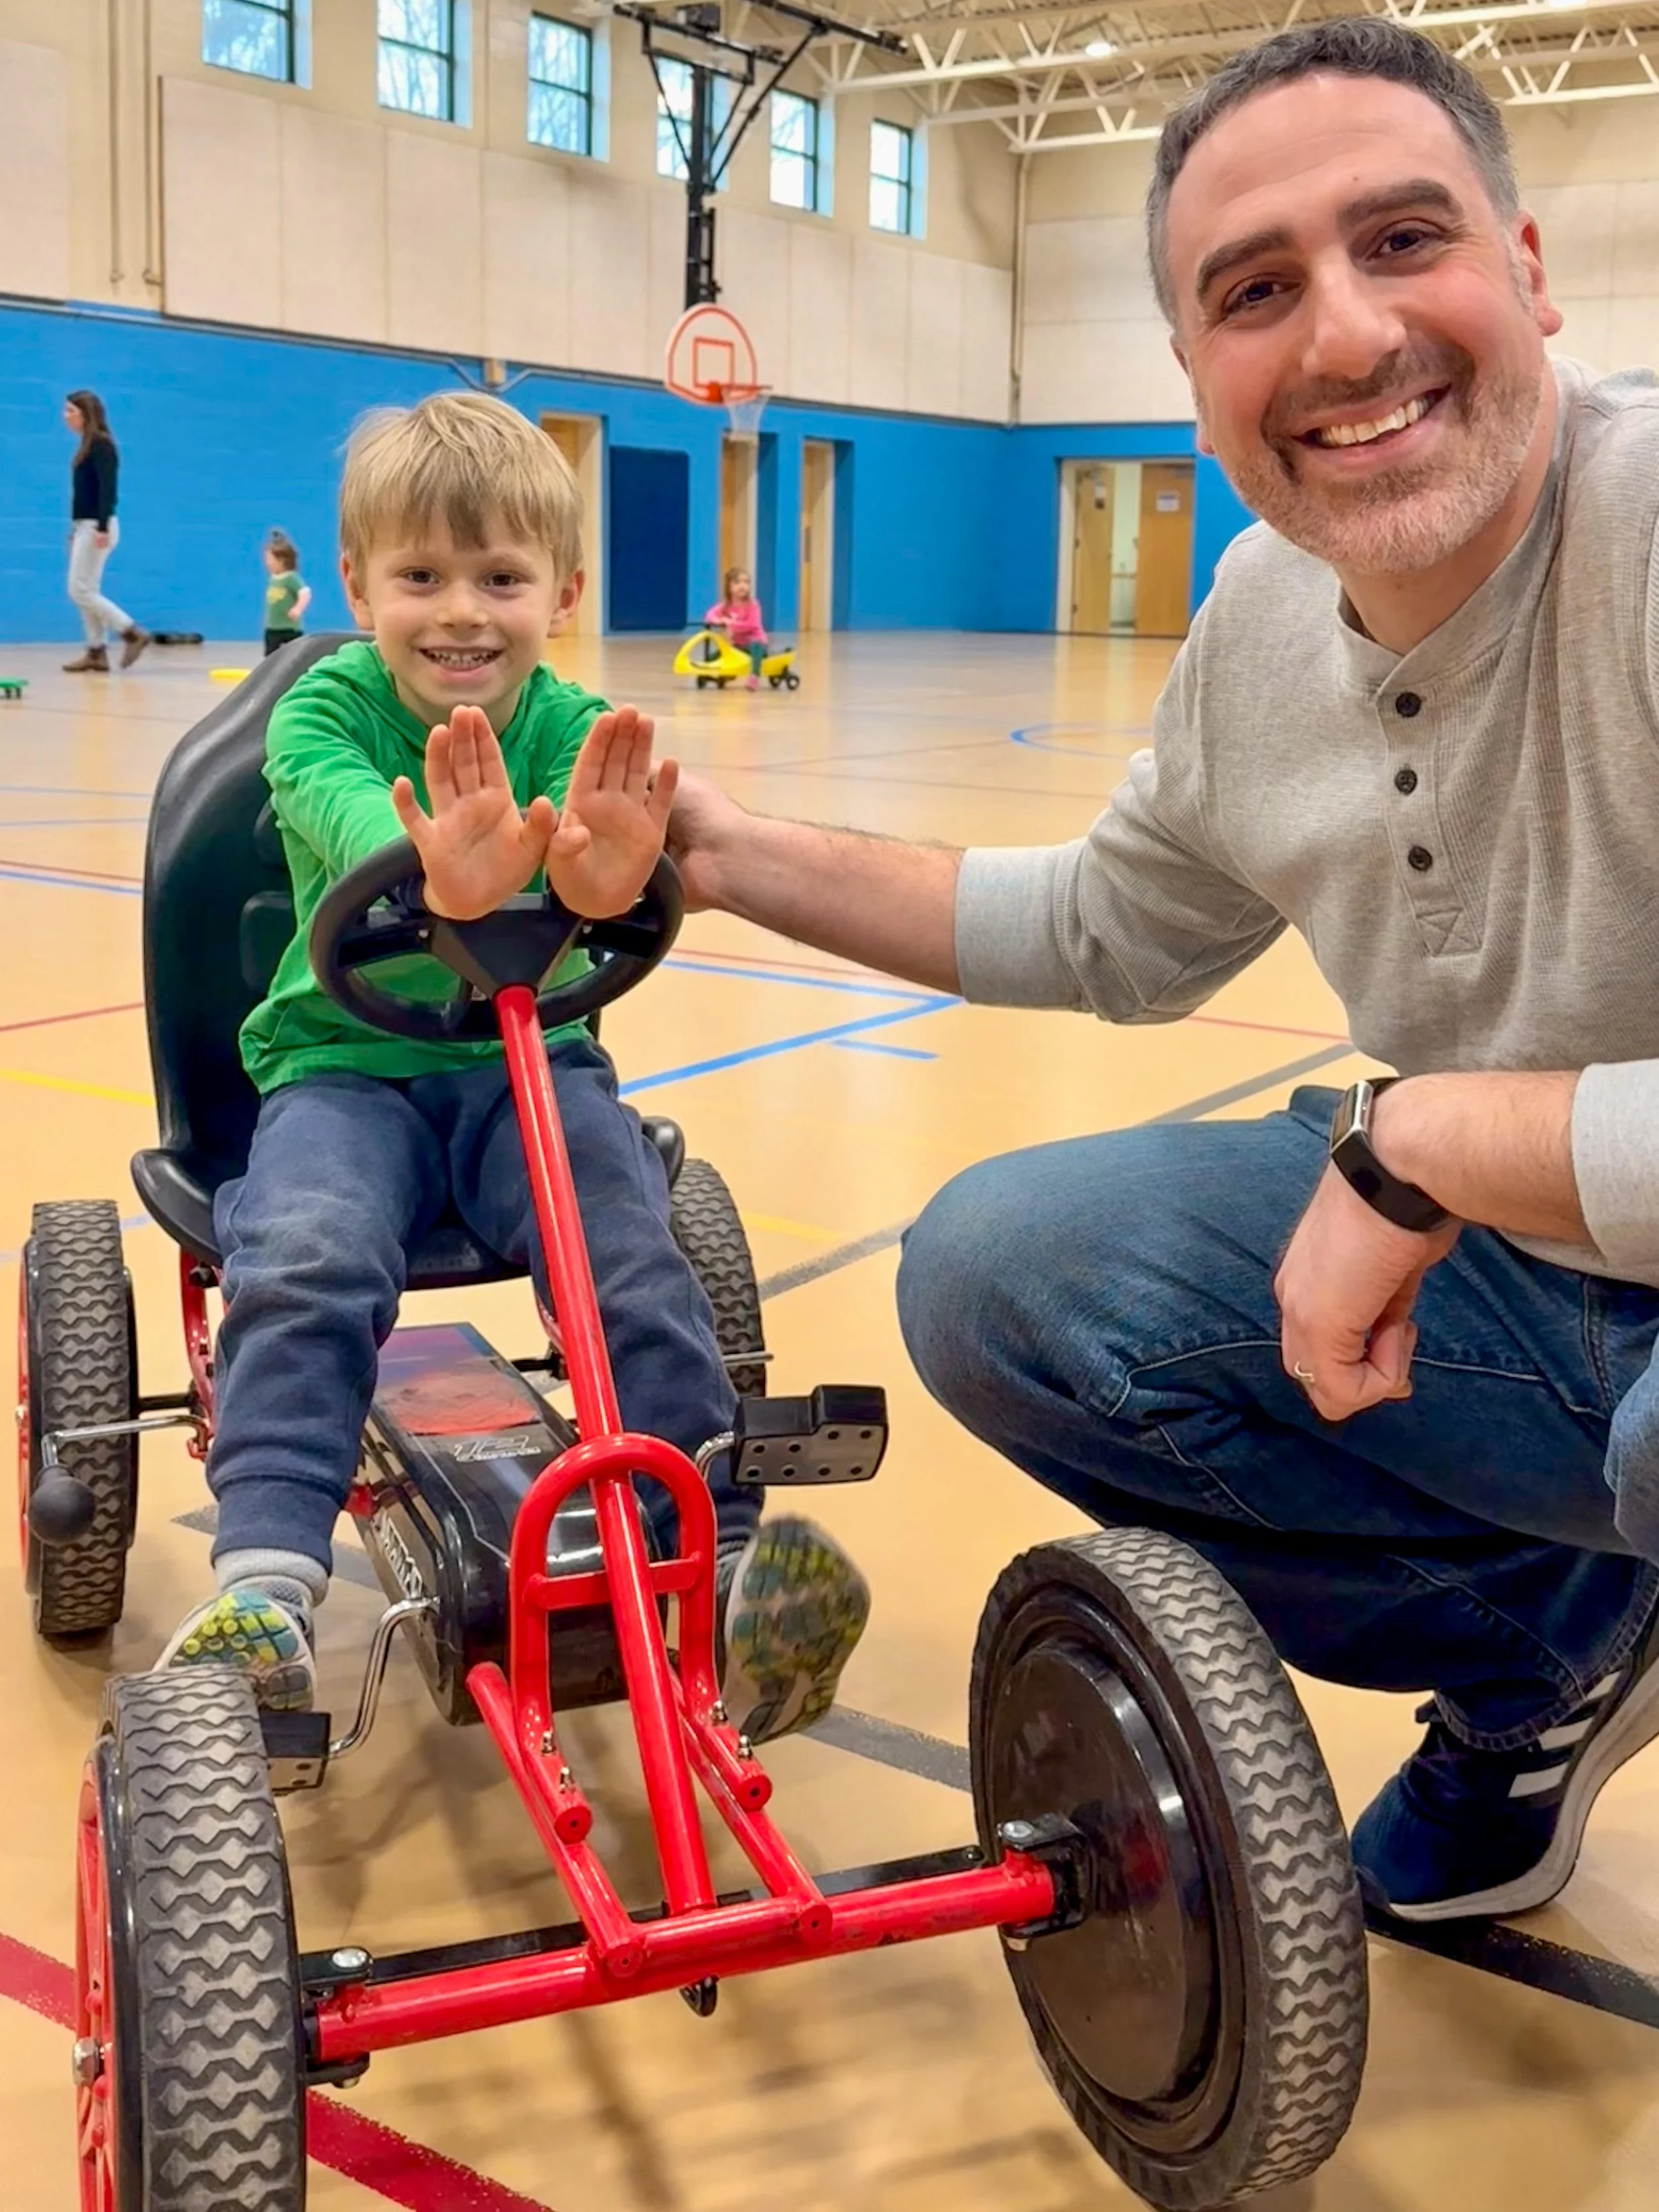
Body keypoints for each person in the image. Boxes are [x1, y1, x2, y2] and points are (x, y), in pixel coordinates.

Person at [665, 17, 1659, 1924]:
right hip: (1528, 1290)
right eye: (1255, 290)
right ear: (1196, 378)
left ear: (1526, 270)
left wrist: (1422, 1142)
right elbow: (1099, 925)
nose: (1346, 337)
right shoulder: (1264, 617)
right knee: (999, 1274)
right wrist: (721, 854)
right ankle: (1546, 1662)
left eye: (1401, 241)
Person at [156, 392, 868, 1746]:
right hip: (338, 1072)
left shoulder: (573, 727)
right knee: (304, 1254)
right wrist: (442, 858)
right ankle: (265, 1579)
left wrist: (605, 878)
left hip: (526, 1068)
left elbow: (612, 881)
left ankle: (712, 1551)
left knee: (625, 1248)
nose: (459, 612)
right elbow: (345, 808)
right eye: (419, 576)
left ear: (565, 588)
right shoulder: (322, 713)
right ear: (357, 580)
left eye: (499, 577)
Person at [62, 389, 149, 673]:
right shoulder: (88, 446)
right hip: (85, 526)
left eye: (70, 411)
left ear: (85, 414)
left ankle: (131, 632)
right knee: (87, 590)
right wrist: (76, 529)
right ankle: (96, 652)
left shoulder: (102, 445)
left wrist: (100, 526)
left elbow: (107, 489)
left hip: (98, 526)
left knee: (79, 590)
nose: (65, 417)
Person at [707, 567, 768, 691]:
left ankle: (754, 676)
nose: (742, 586)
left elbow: (753, 625)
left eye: (746, 582)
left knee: (756, 644)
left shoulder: (753, 604)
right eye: (737, 582)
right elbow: (710, 615)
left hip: (756, 645)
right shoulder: (726, 605)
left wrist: (732, 624)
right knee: (716, 655)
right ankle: (718, 672)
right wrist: (720, 620)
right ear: (729, 587)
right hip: (739, 646)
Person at [262, 530, 313, 656]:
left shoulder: (291, 578)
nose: (267, 563)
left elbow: (305, 592)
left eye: (270, 559)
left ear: (282, 560)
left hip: (290, 628)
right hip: (273, 627)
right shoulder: (273, 577)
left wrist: (298, 609)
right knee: (271, 656)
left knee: (296, 654)